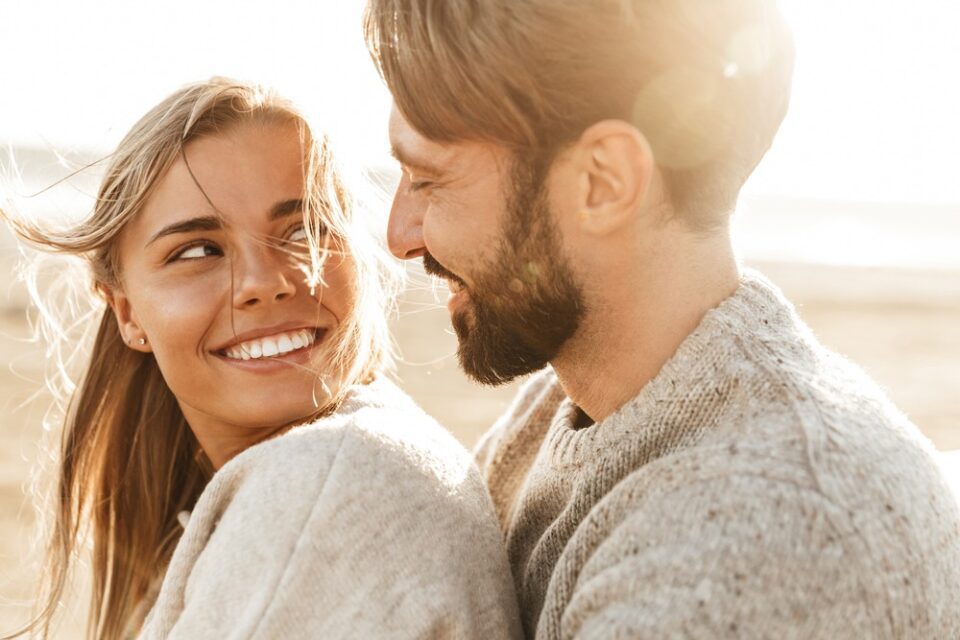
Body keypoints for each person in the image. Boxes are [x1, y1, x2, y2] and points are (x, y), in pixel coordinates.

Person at [363, 0, 960, 637]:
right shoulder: (569, 400)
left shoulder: (760, 542)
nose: (400, 236)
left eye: (428, 180)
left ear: (604, 181)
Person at [2, 79, 521, 639]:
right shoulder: (324, 468)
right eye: (199, 251)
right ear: (127, 314)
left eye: (304, 230)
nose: (263, 283)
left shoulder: (325, 485)